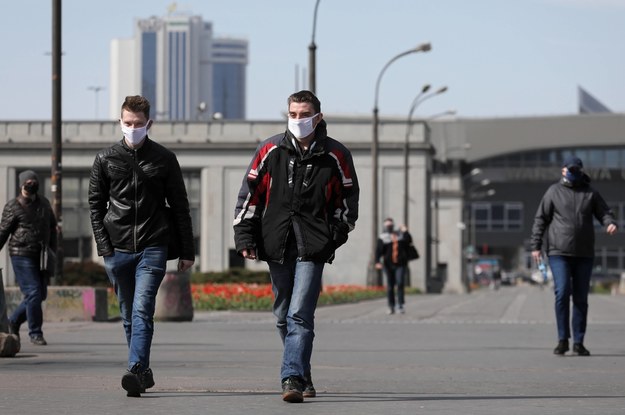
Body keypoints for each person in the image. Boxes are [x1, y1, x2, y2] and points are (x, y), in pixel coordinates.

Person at [233, 90, 359, 403]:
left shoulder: (336, 155)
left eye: (305, 114)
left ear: (318, 117)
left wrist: (334, 235)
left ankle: (291, 377)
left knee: (300, 314)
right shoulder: (270, 149)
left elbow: (348, 200)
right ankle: (303, 371)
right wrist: (245, 237)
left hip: (313, 245)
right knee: (281, 314)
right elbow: (250, 195)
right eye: (293, 114)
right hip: (276, 241)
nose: (298, 120)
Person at [89, 95, 195, 397]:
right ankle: (143, 370)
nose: (132, 128)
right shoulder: (105, 159)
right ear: (120, 122)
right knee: (127, 314)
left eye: (138, 123)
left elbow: (180, 206)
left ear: (149, 123)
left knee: (142, 310)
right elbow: (95, 206)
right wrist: (104, 247)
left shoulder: (164, 158)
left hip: (153, 244)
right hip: (117, 248)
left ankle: (135, 368)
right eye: (127, 123)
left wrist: (187, 251)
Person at [530, 156, 617, 356]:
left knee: (580, 298)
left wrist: (610, 222)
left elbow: (604, 212)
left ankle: (578, 341)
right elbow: (540, 219)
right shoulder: (553, 192)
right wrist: (536, 245)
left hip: (584, 254)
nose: (573, 172)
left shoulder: (590, 193)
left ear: (581, 170)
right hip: (559, 252)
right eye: (570, 169)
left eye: (576, 169)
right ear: (563, 171)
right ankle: (562, 339)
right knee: (562, 293)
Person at [0, 170, 57, 346]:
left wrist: (53, 251)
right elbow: (3, 232)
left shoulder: (45, 203)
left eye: (34, 180)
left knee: (39, 295)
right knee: (33, 292)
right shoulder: (13, 206)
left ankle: (14, 321)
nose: (32, 183)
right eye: (28, 181)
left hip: (41, 255)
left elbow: (52, 227)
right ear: (21, 184)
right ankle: (35, 333)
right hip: (21, 253)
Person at [375, 218, 413, 314]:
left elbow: (409, 241)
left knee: (400, 283)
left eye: (390, 225)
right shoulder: (383, 237)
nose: (389, 227)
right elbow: (378, 251)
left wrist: (405, 231)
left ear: (393, 225)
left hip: (400, 264)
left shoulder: (400, 235)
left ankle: (400, 305)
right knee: (390, 286)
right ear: (384, 226)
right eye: (387, 225)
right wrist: (377, 262)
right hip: (388, 265)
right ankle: (391, 306)